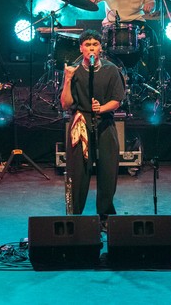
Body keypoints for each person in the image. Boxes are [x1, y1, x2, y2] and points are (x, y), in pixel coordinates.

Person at [60, 30, 126, 225]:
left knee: (107, 170)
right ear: (81, 48)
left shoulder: (111, 69)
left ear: (100, 48)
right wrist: (68, 79)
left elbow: (116, 101)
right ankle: (74, 217)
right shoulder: (74, 70)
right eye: (87, 45)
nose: (91, 48)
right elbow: (65, 104)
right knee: (78, 172)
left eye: (95, 44)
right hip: (80, 122)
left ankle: (105, 216)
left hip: (104, 122)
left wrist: (101, 108)